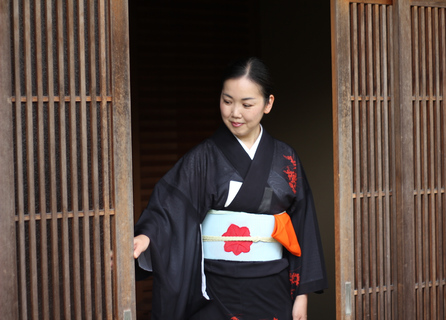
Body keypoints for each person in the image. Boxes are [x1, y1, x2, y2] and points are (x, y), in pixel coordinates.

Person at [133, 57, 327, 320]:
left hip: (273, 289)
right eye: (227, 101)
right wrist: (147, 237)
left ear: (268, 104)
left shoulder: (286, 159)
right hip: (215, 290)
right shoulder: (203, 158)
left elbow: (303, 230)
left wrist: (301, 297)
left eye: (247, 104)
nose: (235, 113)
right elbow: (171, 208)